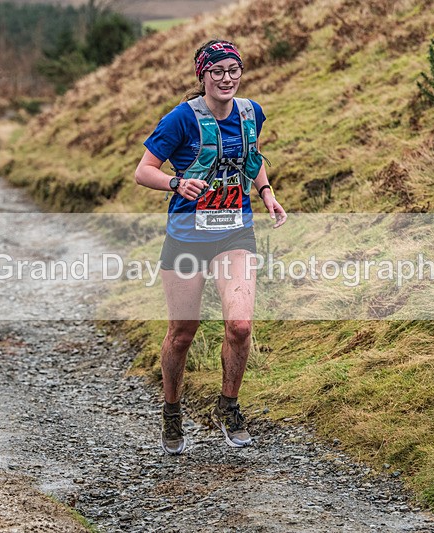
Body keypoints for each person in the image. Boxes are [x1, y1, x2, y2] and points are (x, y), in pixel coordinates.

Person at [135, 39, 287, 455]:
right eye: (217, 71)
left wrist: (267, 192)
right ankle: (171, 411)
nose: (226, 79)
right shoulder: (180, 119)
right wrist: (175, 182)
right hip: (186, 236)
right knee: (182, 333)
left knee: (240, 326)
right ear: (202, 75)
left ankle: (229, 406)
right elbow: (143, 171)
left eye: (233, 70)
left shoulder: (250, 112)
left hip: (235, 231)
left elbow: (250, 157)